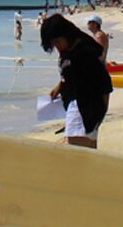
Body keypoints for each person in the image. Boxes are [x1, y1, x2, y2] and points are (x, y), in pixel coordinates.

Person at [41, 15, 112, 148]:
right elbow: (71, 75)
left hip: (85, 110)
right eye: (53, 44)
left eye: (57, 42)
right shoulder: (69, 49)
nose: (57, 47)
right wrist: (60, 86)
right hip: (79, 108)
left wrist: (99, 117)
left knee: (77, 158)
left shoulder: (84, 53)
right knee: (84, 157)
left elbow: (104, 85)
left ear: (66, 34)